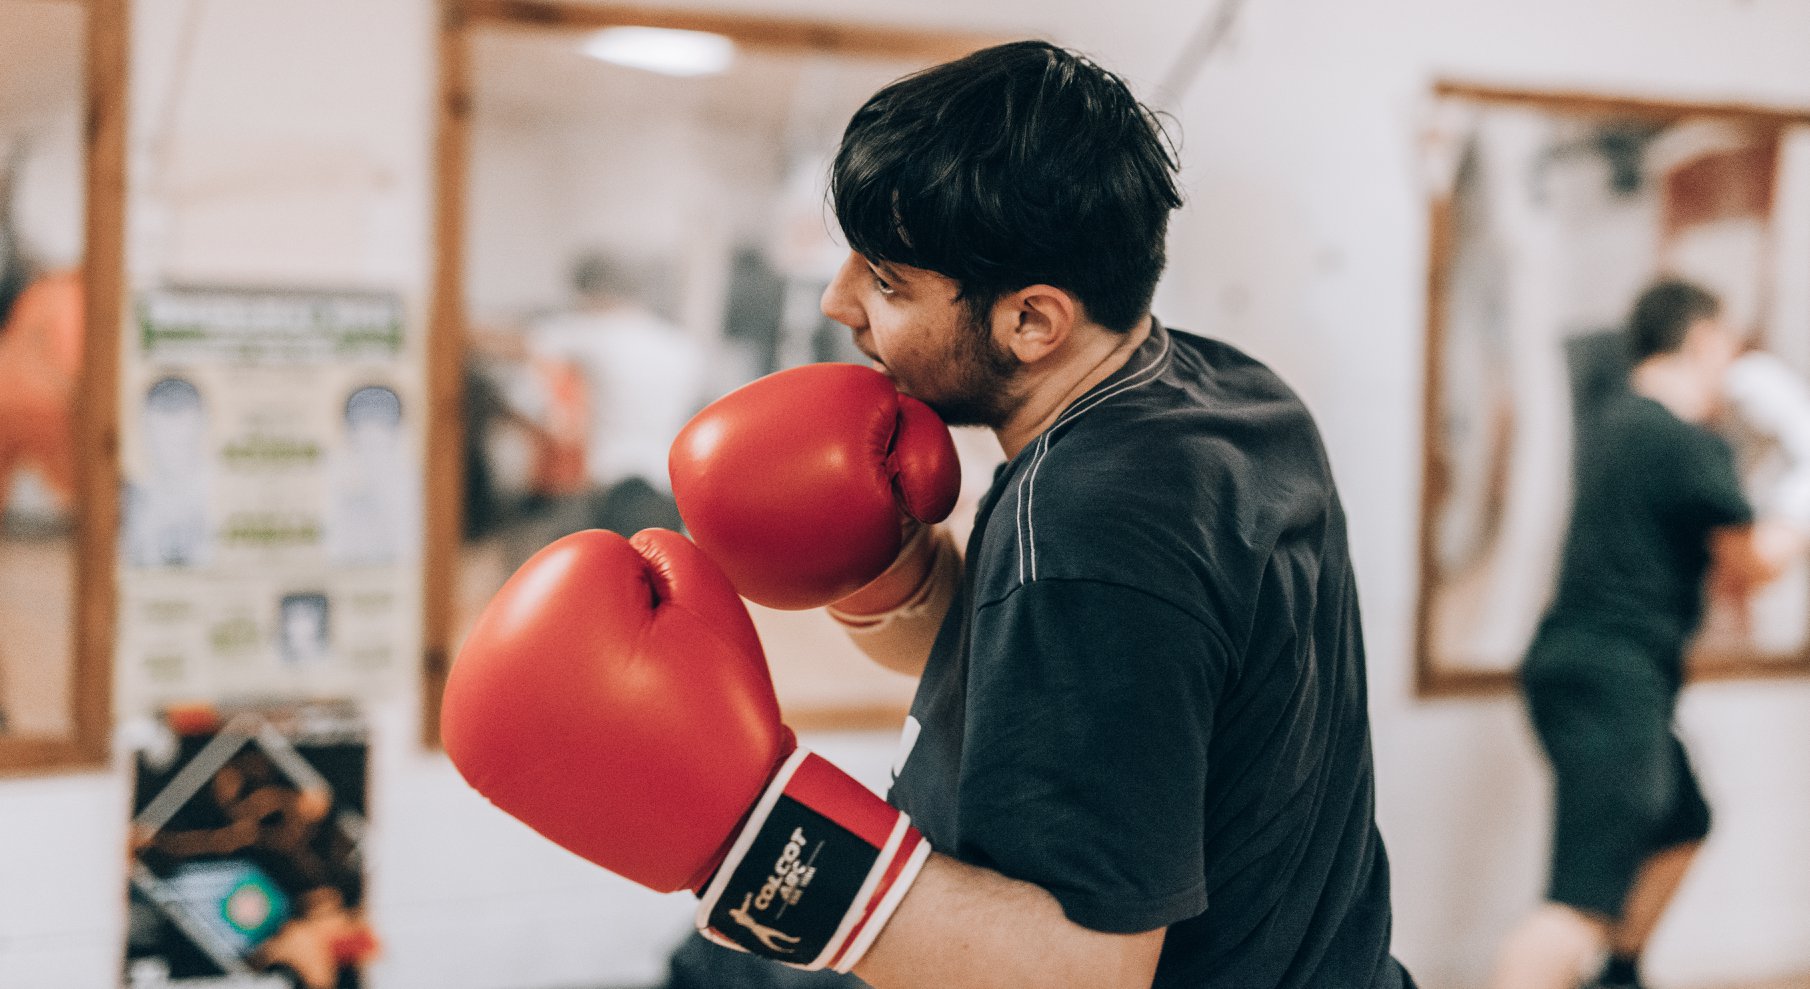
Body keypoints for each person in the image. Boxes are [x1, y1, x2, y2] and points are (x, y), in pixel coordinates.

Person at [445, 40, 1410, 989]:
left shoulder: (1084, 525)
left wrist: (750, 833)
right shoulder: (1224, 390)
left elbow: (1089, 971)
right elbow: (1070, 682)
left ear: (1033, 320)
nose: (840, 302)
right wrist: (891, 570)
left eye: (889, 283)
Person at [1489, 280, 1805, 989]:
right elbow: (1754, 565)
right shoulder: (1682, 439)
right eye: (1728, 346)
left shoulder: (1618, 419)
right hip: (1611, 677)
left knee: (1683, 819)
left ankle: (1618, 973)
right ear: (1702, 341)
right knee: (1577, 905)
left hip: (1589, 668)